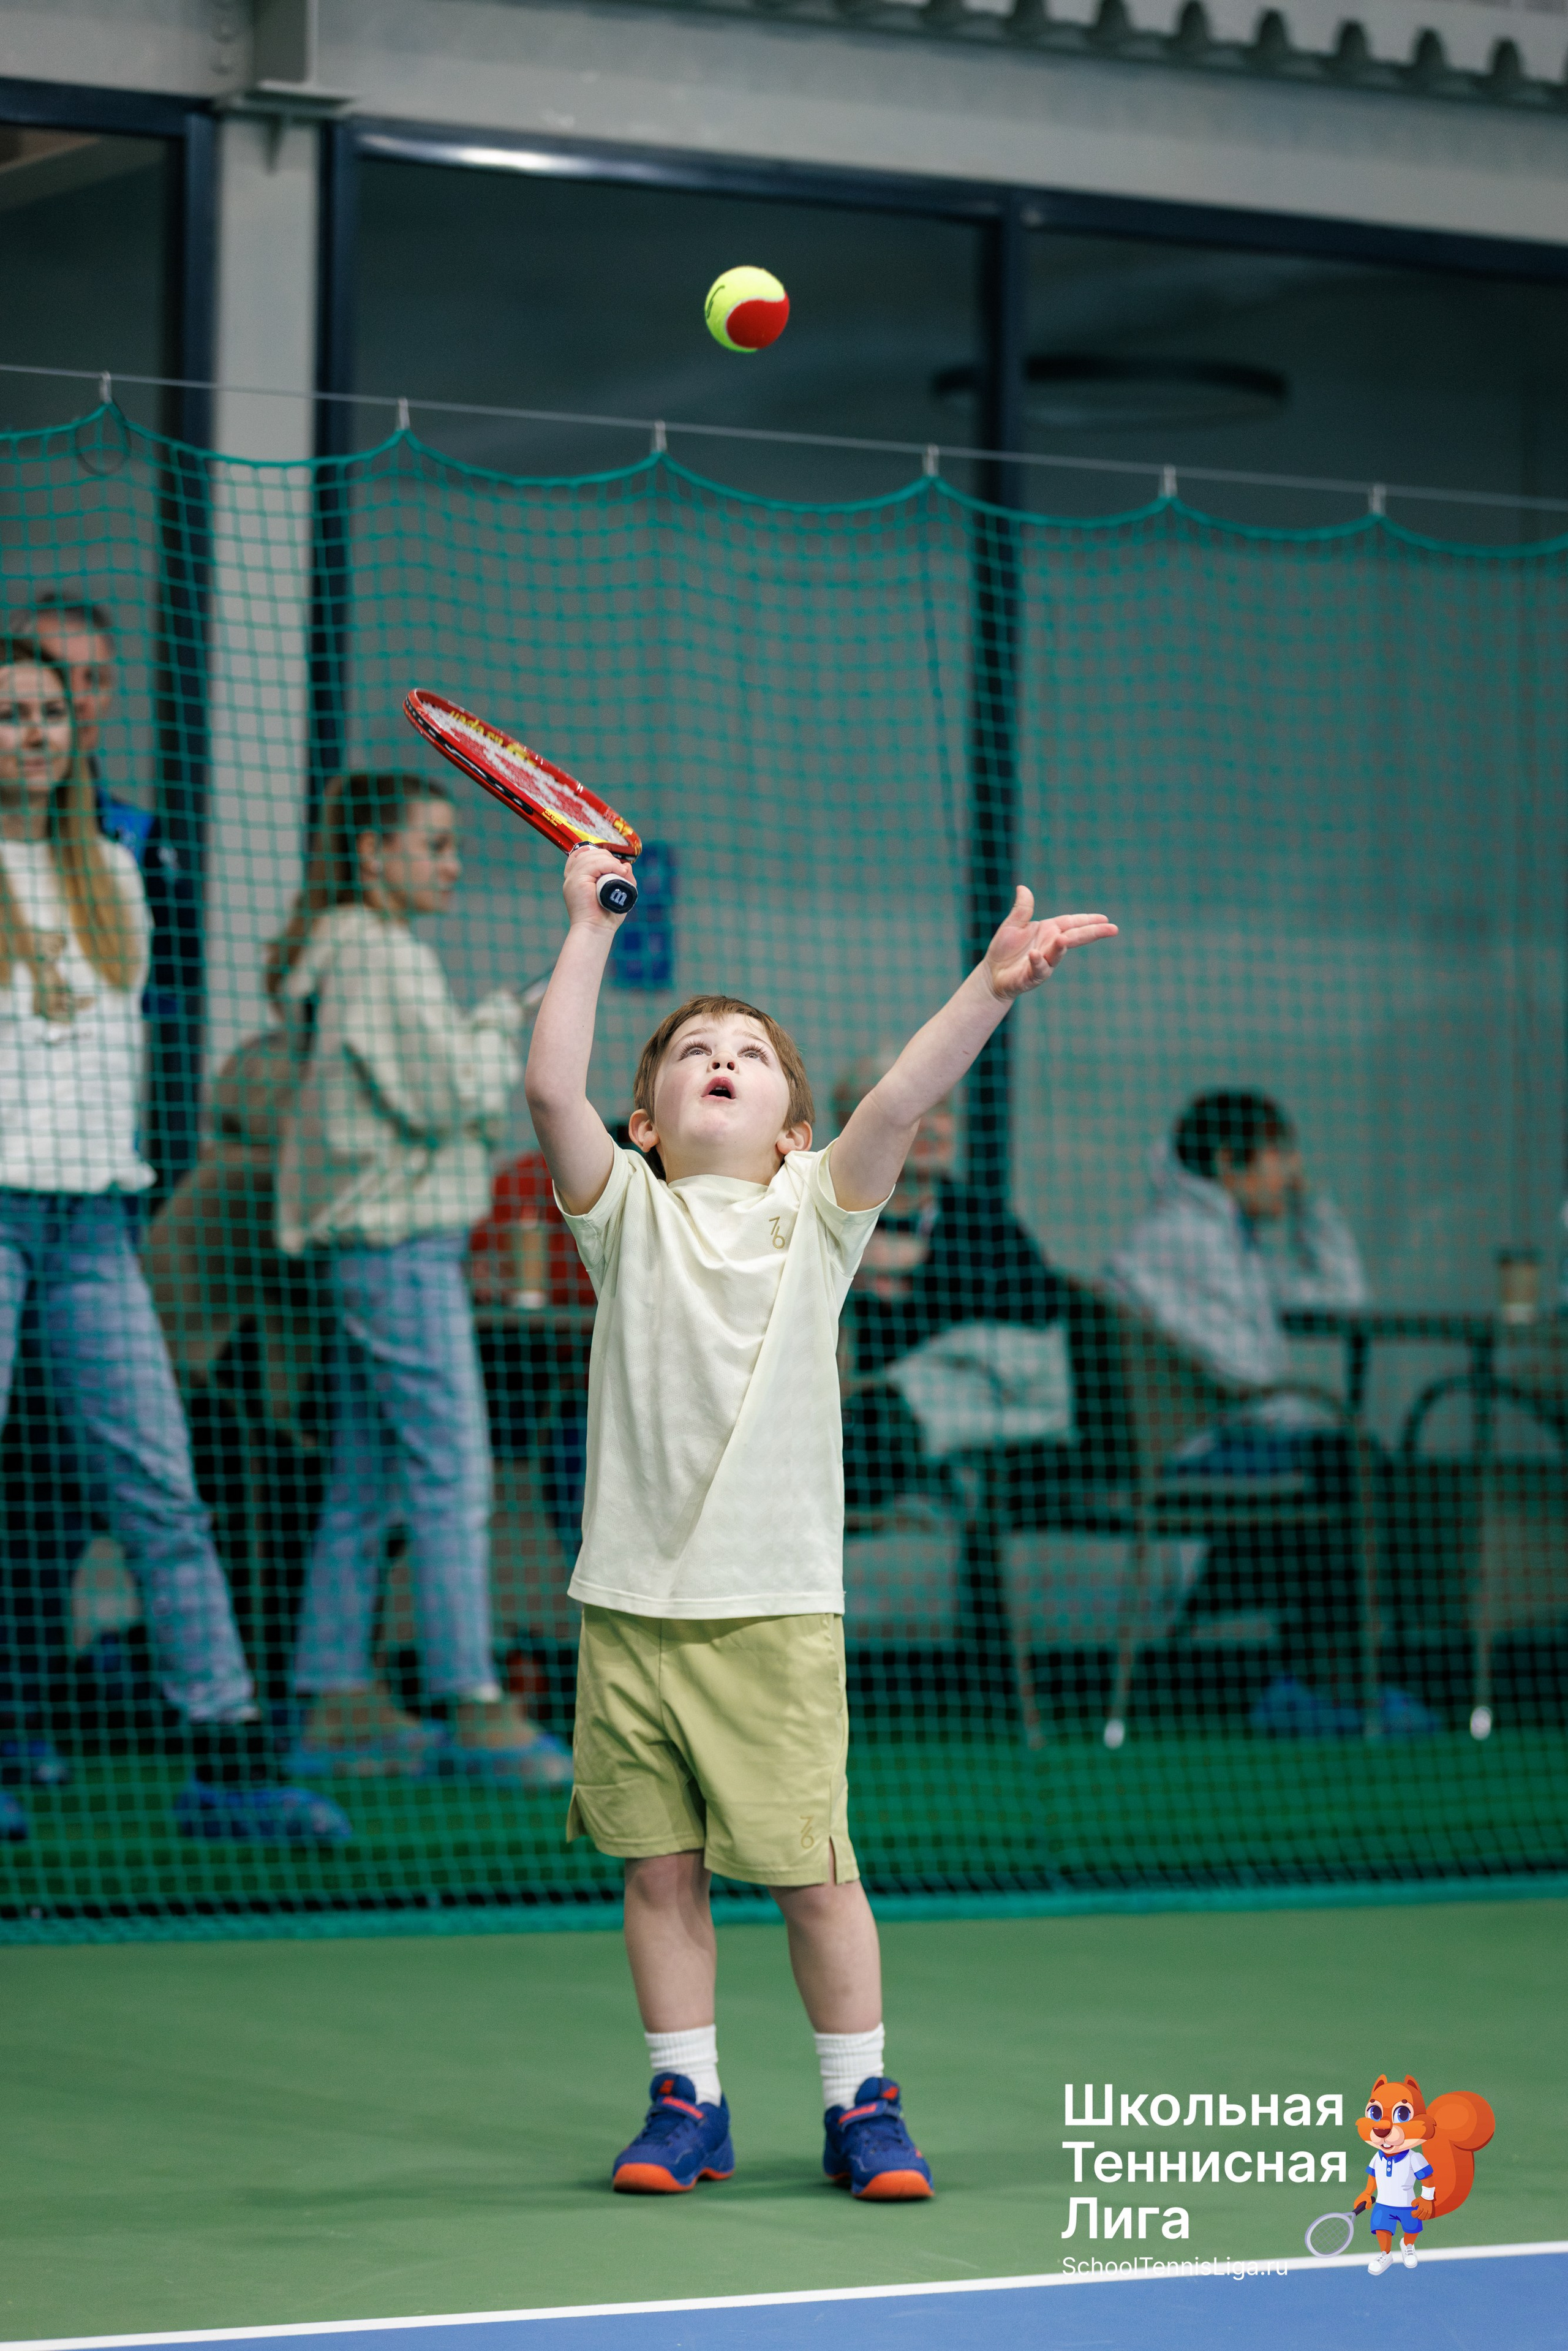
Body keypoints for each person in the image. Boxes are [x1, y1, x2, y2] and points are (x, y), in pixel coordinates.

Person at [526, 839, 1114, 2197]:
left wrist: (987, 987)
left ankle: (861, 2107)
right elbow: (552, 1080)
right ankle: (689, 2101)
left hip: (777, 1610)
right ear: (648, 1123)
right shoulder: (621, 1217)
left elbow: (902, 1098)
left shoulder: (818, 1213)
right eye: (689, 1055)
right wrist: (588, 926)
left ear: (794, 1122)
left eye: (747, 1051)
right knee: (659, 1870)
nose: (717, 1057)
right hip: (629, 1609)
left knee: (810, 1874)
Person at [0, 636, 351, 1845]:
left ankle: (229, 1763)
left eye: (51, 713)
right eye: (11, 715)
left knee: (163, 1487)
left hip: (96, 1228)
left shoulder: (117, 870)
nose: (36, 732)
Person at [272, 771, 570, 1783]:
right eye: (434, 845)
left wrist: (492, 1018)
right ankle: (474, 1699)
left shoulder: (365, 952)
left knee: (368, 1477)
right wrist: (504, 1019)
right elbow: (453, 1096)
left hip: (389, 1252)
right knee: (454, 1472)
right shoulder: (376, 952)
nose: (451, 865)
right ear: (372, 854)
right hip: (396, 1254)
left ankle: (333, 1697)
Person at [1106, 1090, 1433, 1737]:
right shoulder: (1186, 1240)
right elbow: (1248, 1377)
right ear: (1230, 1163)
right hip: (1194, 1451)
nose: (1290, 1170)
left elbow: (1343, 1301)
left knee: (1345, 1463)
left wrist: (1311, 1204)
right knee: (1351, 1463)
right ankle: (1323, 1685)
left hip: (1231, 1441)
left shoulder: (1230, 1238)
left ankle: (1321, 1680)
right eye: (1280, 1154)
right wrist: (1316, 1423)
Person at [834, 1060, 1066, 1512]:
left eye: (941, 1110)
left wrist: (919, 1270)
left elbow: (1037, 1304)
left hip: (975, 1416)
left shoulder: (980, 1220)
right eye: (910, 1111)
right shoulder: (824, 1212)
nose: (932, 1128)